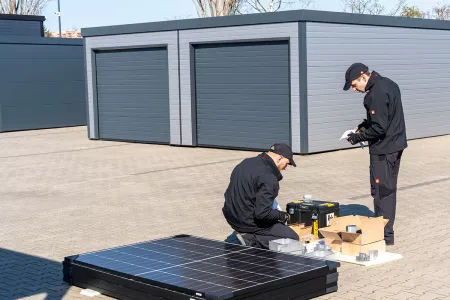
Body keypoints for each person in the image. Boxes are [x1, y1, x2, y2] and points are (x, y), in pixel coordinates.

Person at [343, 63, 407, 246]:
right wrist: (364, 125)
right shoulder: (388, 84)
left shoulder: (375, 93)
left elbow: (379, 127)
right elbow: (382, 117)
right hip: (394, 145)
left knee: (381, 191)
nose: (355, 89)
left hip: (383, 149)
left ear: (364, 76)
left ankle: (383, 235)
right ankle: (384, 231)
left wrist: (357, 138)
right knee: (388, 189)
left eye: (355, 85)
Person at [222, 143, 299, 249]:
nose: (286, 167)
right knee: (292, 238)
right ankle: (249, 239)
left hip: (231, 216)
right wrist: (283, 216)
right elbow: (262, 214)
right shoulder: (269, 178)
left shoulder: (246, 163)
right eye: (287, 163)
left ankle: (241, 234)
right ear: (279, 158)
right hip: (246, 222)